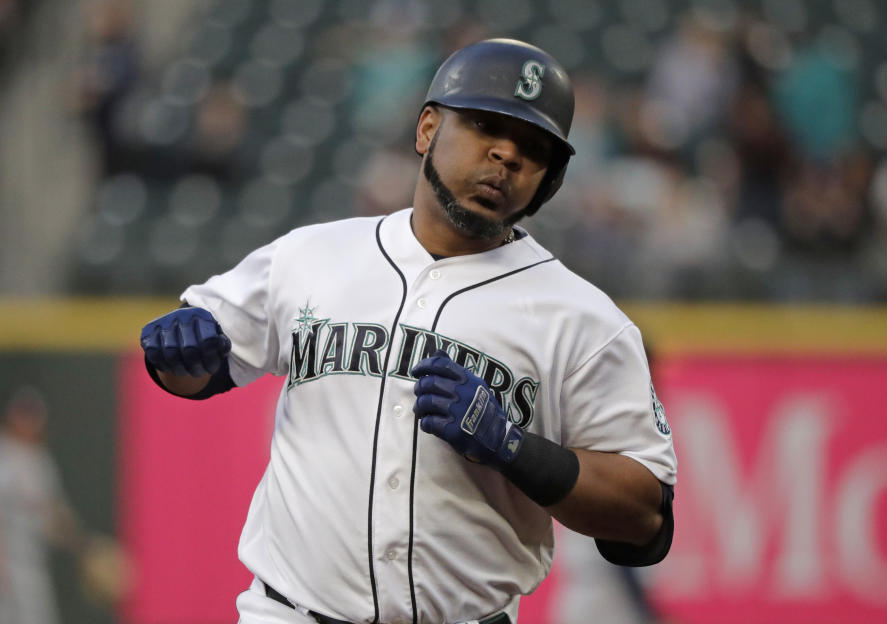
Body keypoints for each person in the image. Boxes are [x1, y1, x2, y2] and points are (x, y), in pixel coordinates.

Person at [139, 38, 677, 624]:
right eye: (484, 125)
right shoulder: (311, 256)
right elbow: (199, 371)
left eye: (533, 146)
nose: (506, 154)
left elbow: (645, 520)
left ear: (549, 179)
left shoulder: (584, 319)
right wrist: (178, 352)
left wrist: (513, 446)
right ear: (426, 130)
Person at [0, 387, 79, 624]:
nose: (29, 423)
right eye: (23, 416)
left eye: (33, 417)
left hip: (33, 561)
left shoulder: (40, 460)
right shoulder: (5, 454)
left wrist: (76, 539)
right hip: (9, 561)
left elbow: (52, 514)